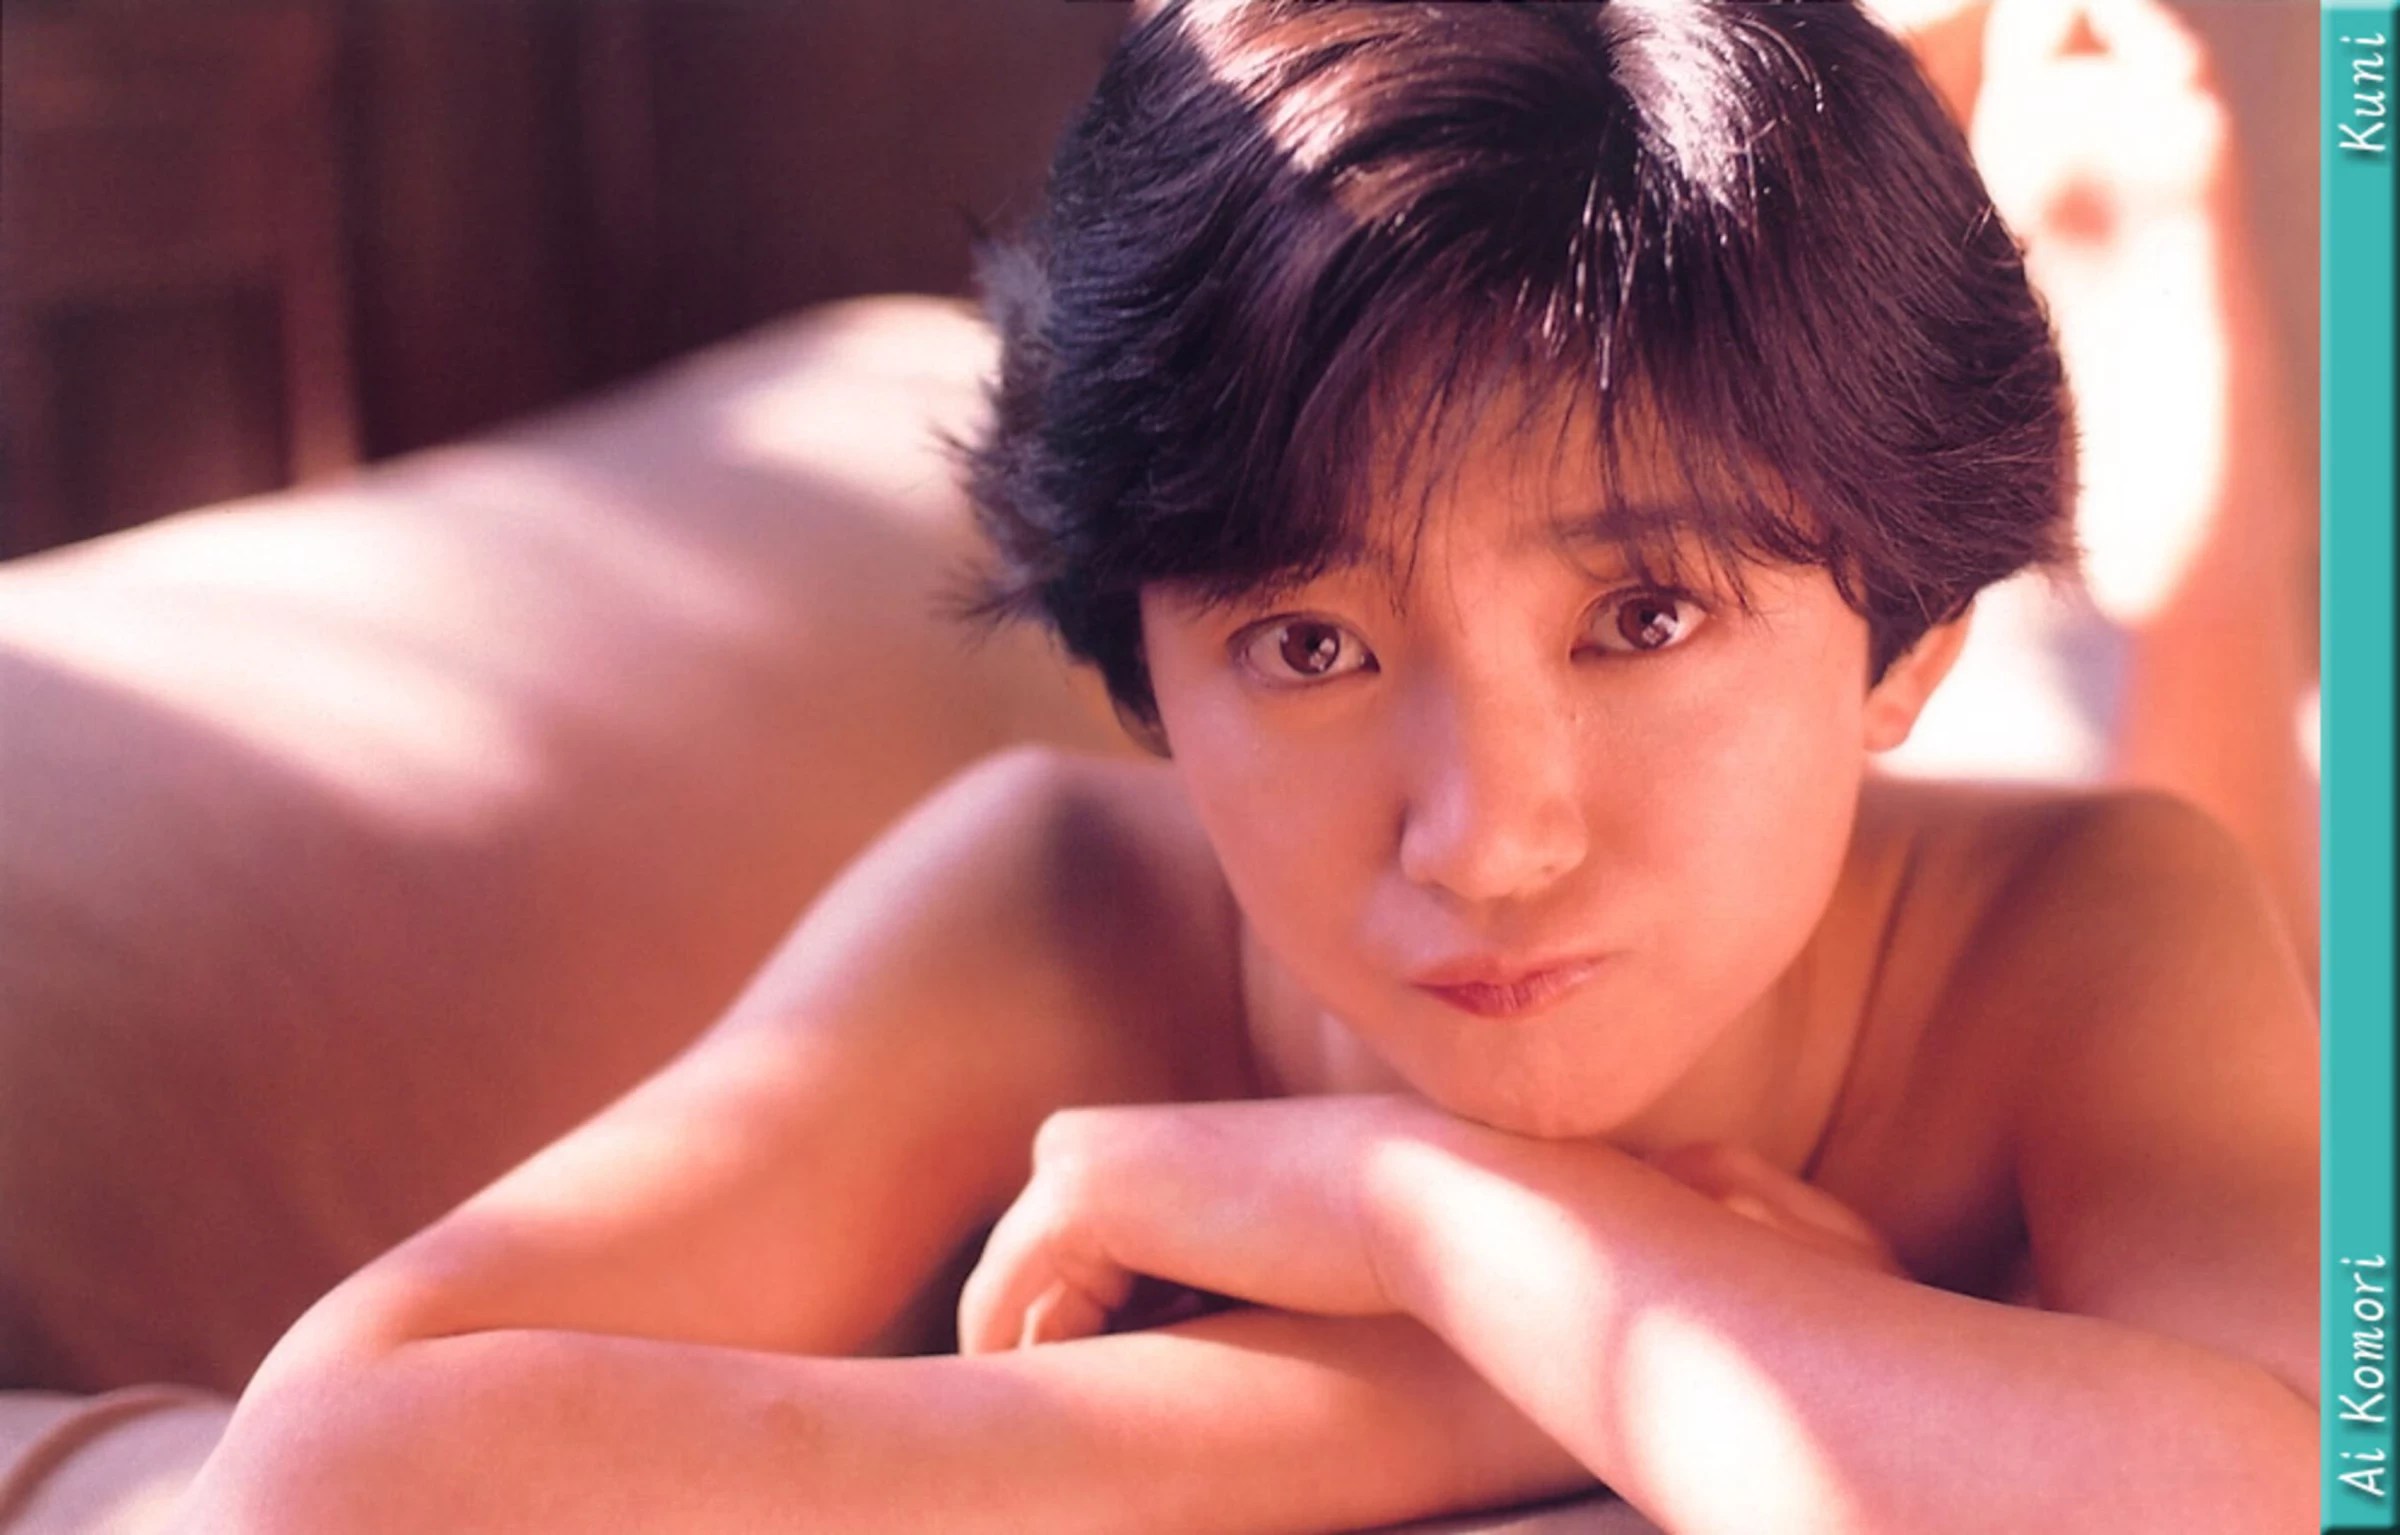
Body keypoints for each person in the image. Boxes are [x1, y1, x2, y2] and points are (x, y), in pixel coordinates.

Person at [176, 3, 2317, 1531]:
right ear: (1144, 671)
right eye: (1312, 645)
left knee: (2236, 779)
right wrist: (1470, 1332)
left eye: (1643, 618)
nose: (1487, 839)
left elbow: (2301, 1487)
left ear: (1912, 639)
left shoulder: (2083, 924)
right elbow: (332, 1475)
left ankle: (2209, 519)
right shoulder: (1051, 903)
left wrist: (1409, 1206)